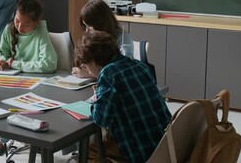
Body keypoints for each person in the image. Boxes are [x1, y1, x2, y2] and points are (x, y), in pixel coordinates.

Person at [73, 30, 171, 163]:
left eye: (87, 66)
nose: (89, 71)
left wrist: (97, 99)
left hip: (142, 150)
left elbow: (101, 119)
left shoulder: (108, 74)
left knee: (87, 153)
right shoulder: (139, 65)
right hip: (165, 142)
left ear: (93, 61)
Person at [0, 0, 57, 73]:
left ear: (36, 23)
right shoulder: (9, 29)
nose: (19, 27)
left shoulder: (40, 31)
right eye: (17, 21)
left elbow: (49, 65)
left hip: (34, 79)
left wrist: (15, 64)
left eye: (26, 25)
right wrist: (1, 61)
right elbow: (3, 53)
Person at [72, 0, 134, 79]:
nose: (87, 31)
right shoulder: (92, 40)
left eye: (89, 26)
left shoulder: (122, 38)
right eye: (85, 26)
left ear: (100, 23)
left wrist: (92, 74)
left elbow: (125, 70)